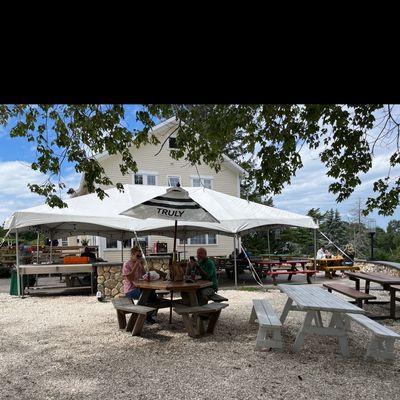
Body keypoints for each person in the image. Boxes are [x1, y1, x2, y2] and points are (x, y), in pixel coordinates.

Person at [122, 245, 157, 324]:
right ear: (132, 254)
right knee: (146, 296)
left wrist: (143, 267)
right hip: (130, 290)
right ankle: (144, 318)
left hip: (140, 287)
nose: (139, 257)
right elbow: (130, 278)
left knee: (152, 295)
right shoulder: (126, 264)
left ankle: (147, 316)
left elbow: (144, 276)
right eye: (137, 256)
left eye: (140, 256)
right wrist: (136, 265)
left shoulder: (139, 264)